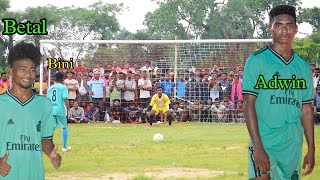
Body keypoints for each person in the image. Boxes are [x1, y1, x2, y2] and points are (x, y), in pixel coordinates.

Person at [242, 5, 314, 180]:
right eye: (279, 25)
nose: (284, 30)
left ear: (296, 29)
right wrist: (257, 146)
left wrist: (311, 148)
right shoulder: (257, 60)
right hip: (265, 140)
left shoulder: (303, 67)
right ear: (270, 28)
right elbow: (248, 104)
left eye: (289, 25)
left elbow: (306, 110)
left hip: (292, 143)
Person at [0, 42, 61, 179]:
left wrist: (52, 153)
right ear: (11, 72)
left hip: (34, 175)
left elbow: (45, 139)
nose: (28, 74)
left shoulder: (44, 104)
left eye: (32, 69)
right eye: (22, 69)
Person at [47, 72, 71, 152]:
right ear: (63, 79)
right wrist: (68, 109)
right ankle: (64, 147)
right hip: (59, 109)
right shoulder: (64, 87)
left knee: (51, 128)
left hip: (51, 109)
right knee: (64, 127)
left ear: (55, 79)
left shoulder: (50, 88)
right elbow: (65, 99)